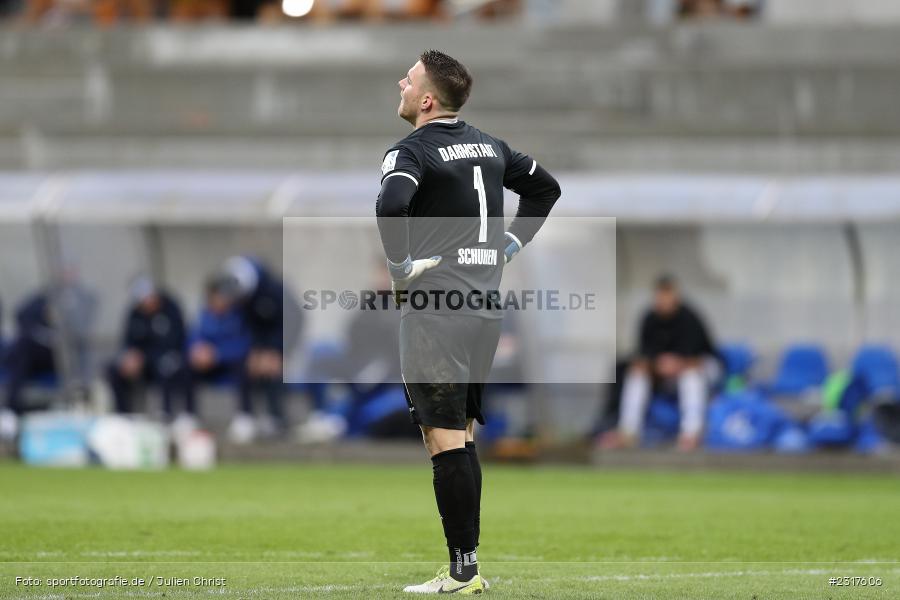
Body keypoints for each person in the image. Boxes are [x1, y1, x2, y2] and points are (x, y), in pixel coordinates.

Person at [375, 50, 560, 593]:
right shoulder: (491, 146)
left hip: (435, 311)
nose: (401, 84)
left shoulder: (411, 151)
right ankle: (467, 564)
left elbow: (391, 207)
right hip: (484, 311)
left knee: (443, 440)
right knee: (463, 437)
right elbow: (546, 188)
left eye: (408, 80)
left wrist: (401, 267)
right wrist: (509, 244)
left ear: (427, 99)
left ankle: (463, 570)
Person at [599, 275, 718, 452]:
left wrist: (677, 364)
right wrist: (655, 366)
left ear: (675, 296)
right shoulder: (649, 319)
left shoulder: (689, 318)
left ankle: (691, 434)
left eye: (668, 295)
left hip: (701, 370)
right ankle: (629, 432)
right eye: (660, 295)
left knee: (691, 377)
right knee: (636, 375)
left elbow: (699, 357)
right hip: (665, 375)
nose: (664, 300)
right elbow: (643, 356)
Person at [219, 256, 301, 442]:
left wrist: (278, 351)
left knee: (273, 369)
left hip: (283, 344)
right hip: (260, 345)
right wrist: (256, 351)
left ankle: (277, 418)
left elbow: (291, 322)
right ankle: (245, 415)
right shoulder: (243, 300)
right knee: (245, 364)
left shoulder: (275, 291)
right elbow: (251, 327)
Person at [107, 277, 195, 424]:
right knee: (114, 369)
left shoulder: (171, 308)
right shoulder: (134, 313)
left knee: (167, 366)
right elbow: (128, 341)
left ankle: (168, 415)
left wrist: (146, 356)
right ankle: (122, 415)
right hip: (142, 362)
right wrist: (130, 356)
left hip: (168, 357)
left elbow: (176, 341)